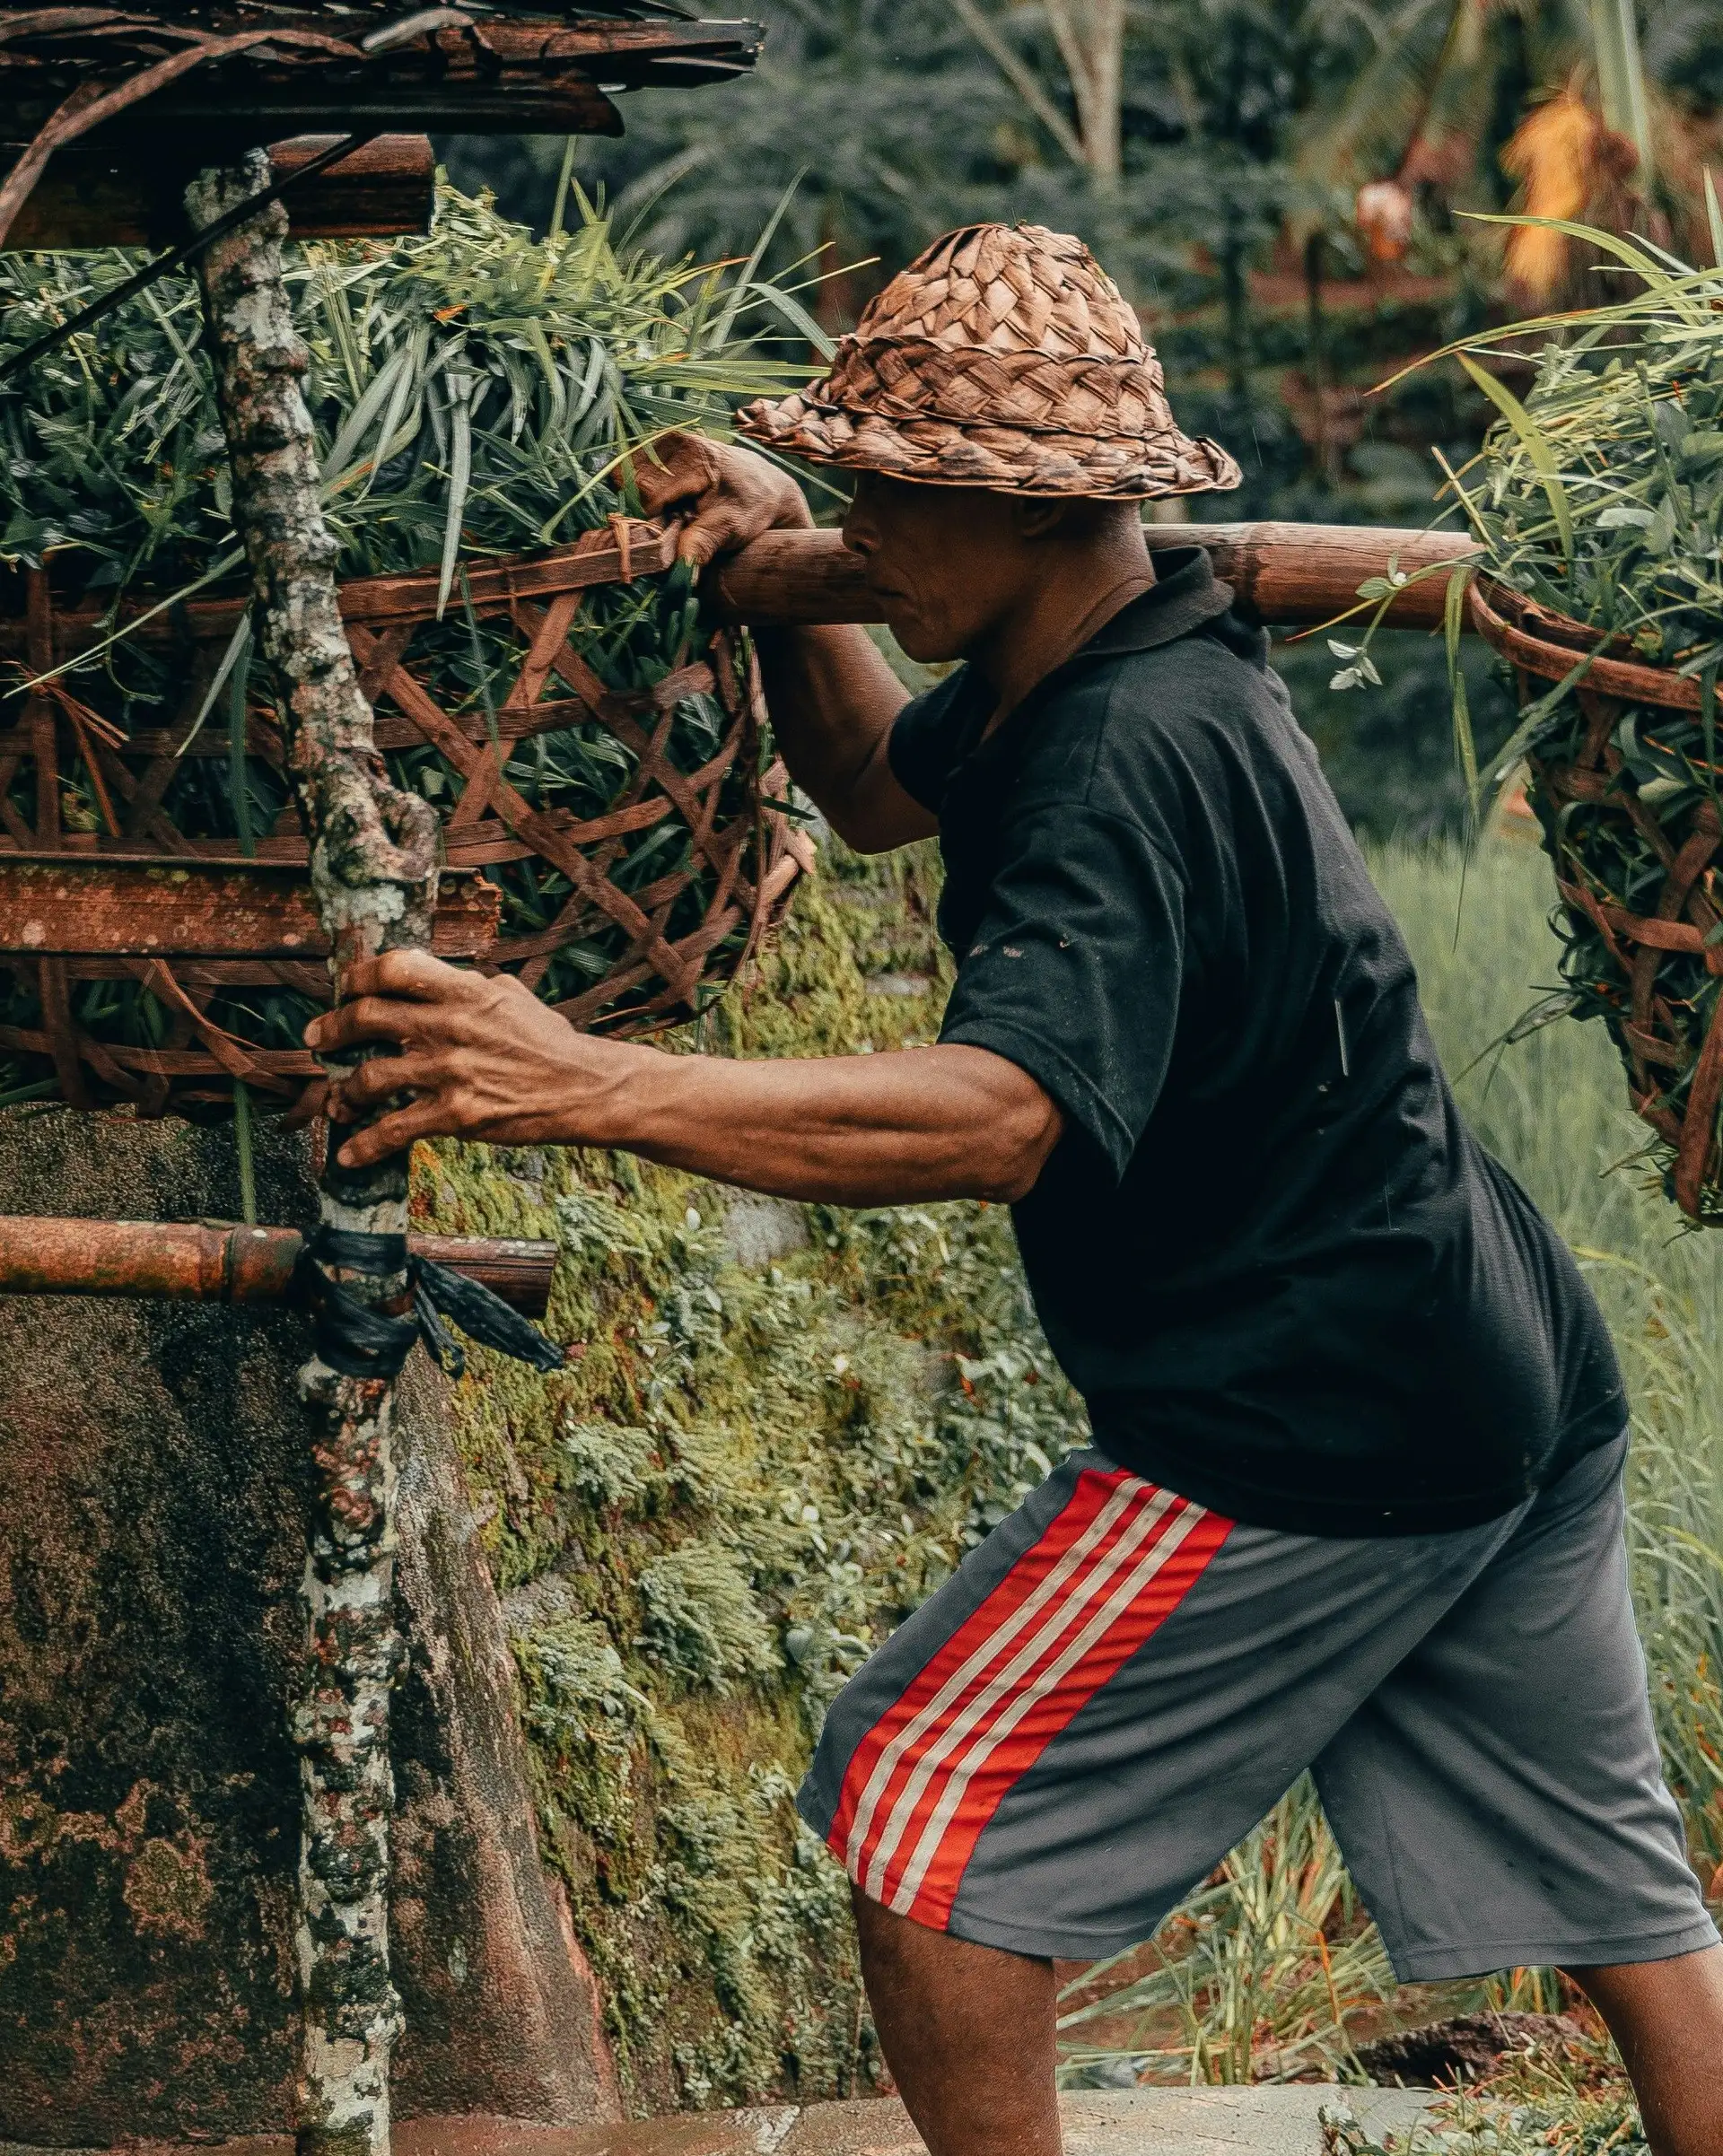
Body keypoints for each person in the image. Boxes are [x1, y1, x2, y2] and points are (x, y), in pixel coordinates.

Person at [304, 223, 1723, 2156]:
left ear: (1025, 509)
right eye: (857, 488)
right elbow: (884, 783)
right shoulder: (1130, 636)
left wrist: (583, 1078)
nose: (869, 527)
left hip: (1315, 1412)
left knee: (919, 1808)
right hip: (1494, 1347)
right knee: (1627, 1897)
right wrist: (798, 571)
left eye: (896, 497)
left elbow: (998, 1117)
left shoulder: (1124, 756)